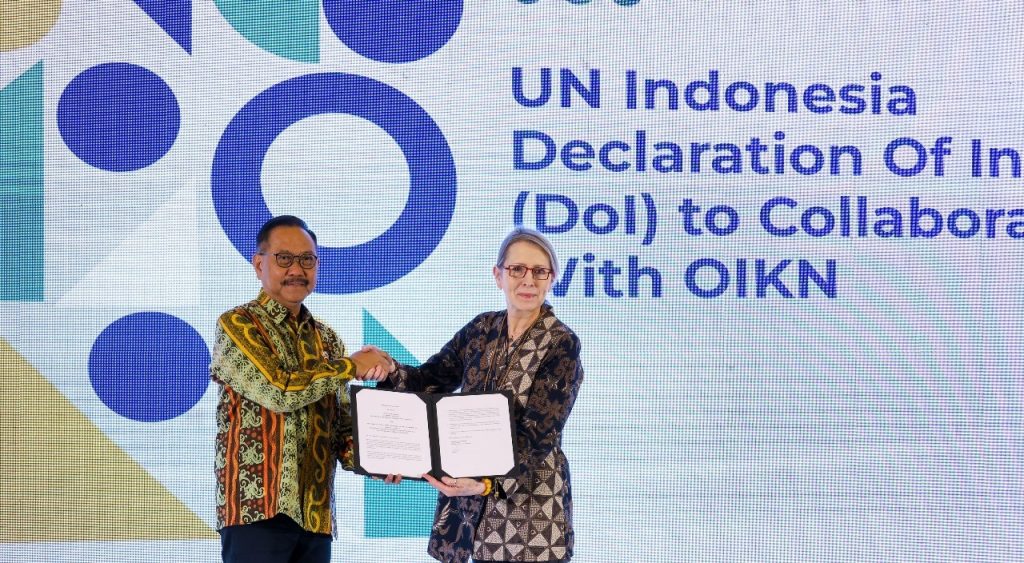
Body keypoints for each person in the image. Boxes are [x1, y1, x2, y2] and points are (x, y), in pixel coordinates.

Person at [375, 227, 584, 563]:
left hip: (530, 508)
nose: (528, 280)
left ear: (552, 279)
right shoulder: (481, 330)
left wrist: (486, 484)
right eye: (517, 269)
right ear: (498, 276)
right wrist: (386, 369)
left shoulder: (562, 343)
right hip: (467, 504)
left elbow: (539, 434)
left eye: (539, 271)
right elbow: (429, 382)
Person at [210, 215, 391, 563]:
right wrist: (350, 366)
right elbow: (279, 390)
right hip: (256, 512)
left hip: (315, 516)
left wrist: (383, 461)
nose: (297, 269)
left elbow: (341, 428)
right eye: (284, 258)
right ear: (259, 264)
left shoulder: (327, 339)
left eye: (307, 259)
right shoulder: (238, 325)